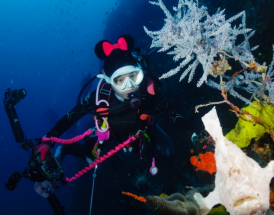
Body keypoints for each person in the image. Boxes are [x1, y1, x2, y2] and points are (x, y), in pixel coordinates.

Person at [34, 34, 174, 165]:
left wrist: (194, 135)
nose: (129, 86)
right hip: (109, 131)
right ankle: (64, 149)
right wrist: (48, 140)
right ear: (108, 81)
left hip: (141, 128)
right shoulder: (100, 96)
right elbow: (71, 117)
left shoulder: (147, 90)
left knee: (146, 152)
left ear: (140, 73)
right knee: (90, 155)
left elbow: (173, 114)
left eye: (133, 76)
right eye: (120, 80)